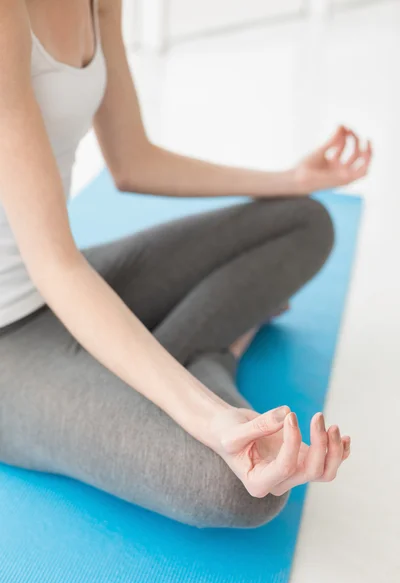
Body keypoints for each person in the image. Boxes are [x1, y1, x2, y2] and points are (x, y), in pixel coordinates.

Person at [0, 0, 372, 528]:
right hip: (11, 343)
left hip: (66, 282)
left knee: (305, 222)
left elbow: (132, 161)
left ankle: (180, 361)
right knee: (242, 489)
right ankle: (211, 357)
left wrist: (291, 180)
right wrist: (212, 417)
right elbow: (54, 265)